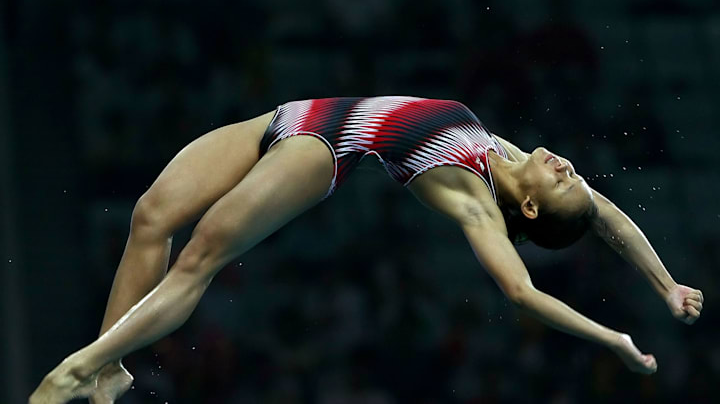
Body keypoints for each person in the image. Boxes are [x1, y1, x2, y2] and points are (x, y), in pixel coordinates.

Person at [30, 96, 703, 403]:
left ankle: (77, 369)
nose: (568, 168)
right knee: (150, 215)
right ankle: (109, 375)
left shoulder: (472, 195)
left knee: (200, 254)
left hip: (323, 150)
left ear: (528, 209)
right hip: (292, 114)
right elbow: (606, 214)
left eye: (563, 184)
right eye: (573, 174)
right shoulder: (513, 154)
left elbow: (521, 292)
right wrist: (665, 284)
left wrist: (612, 338)